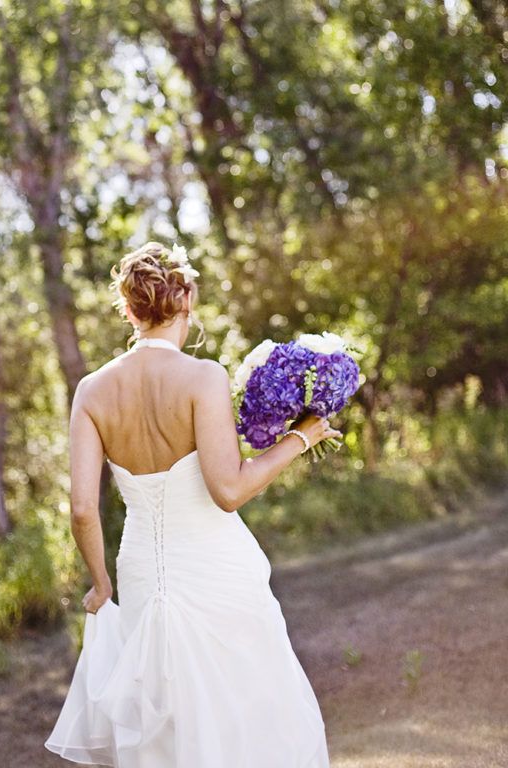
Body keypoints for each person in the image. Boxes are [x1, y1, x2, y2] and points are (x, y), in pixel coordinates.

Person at [45, 241, 339, 767]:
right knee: (246, 705)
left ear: (130, 311)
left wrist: (100, 583)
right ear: (187, 300)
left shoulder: (91, 391)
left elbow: (83, 510)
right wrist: (300, 438)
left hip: (138, 569)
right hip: (215, 565)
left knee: (164, 717)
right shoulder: (204, 378)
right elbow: (228, 491)